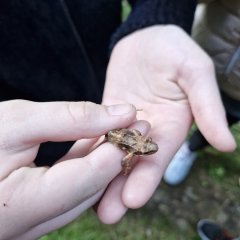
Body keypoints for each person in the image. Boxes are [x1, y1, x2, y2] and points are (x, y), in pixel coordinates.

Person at [0, 0, 236, 239]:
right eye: (148, 148)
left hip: (117, 77)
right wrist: (125, 163)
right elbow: (126, 157)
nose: (149, 148)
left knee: (103, 178)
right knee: (79, 173)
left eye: (147, 148)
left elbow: (132, 145)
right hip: (35, 130)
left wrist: (157, 18)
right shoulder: (133, 150)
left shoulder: (136, 142)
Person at [163, 0, 240, 186]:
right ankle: (168, 137)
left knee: (217, 125)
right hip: (197, 56)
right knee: (172, 111)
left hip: (236, 95)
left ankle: (190, 148)